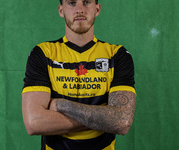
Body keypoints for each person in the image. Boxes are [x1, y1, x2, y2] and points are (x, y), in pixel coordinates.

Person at [22, 0, 136, 149]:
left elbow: (122, 122)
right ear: (61, 10)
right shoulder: (43, 53)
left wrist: (61, 105)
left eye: (87, 2)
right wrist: (105, 118)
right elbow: (34, 123)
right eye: (72, 3)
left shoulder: (117, 55)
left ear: (97, 9)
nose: (80, 9)